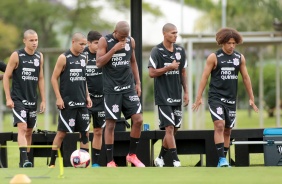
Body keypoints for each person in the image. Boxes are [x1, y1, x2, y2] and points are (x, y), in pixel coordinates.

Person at [192, 27, 259, 167]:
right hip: (216, 98)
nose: (232, 46)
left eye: (234, 43)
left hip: (231, 100)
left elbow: (246, 78)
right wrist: (199, 97)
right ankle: (222, 159)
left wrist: (252, 98)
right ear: (222, 42)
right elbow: (204, 77)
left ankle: (224, 159)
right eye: (229, 43)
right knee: (220, 125)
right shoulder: (214, 57)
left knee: (228, 130)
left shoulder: (239, 58)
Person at [96, 21, 144, 167]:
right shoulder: (105, 41)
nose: (124, 39)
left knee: (138, 119)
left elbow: (133, 61)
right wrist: (114, 50)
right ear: (115, 32)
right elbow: (99, 62)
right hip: (112, 89)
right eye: (121, 37)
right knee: (110, 124)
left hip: (128, 87)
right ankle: (110, 161)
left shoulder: (131, 41)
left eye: (126, 37)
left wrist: (138, 82)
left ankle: (132, 155)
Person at [3, 29, 45, 167]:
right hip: (18, 99)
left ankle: (24, 161)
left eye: (36, 40)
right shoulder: (17, 55)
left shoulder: (39, 56)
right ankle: (25, 160)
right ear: (24, 41)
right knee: (22, 127)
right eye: (31, 40)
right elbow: (6, 77)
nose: (34, 43)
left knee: (29, 131)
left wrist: (43, 100)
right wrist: (8, 98)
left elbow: (41, 78)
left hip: (32, 99)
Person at [48, 32, 92, 168]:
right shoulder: (64, 57)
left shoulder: (84, 58)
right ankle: (52, 163)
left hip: (82, 103)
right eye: (81, 44)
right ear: (73, 42)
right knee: (61, 133)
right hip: (67, 103)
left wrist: (87, 96)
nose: (83, 47)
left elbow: (84, 79)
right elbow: (54, 78)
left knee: (85, 133)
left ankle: (84, 163)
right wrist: (59, 98)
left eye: (85, 44)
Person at [148, 23, 189, 167]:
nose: (175, 35)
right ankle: (175, 160)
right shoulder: (156, 51)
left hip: (177, 95)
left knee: (174, 129)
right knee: (169, 128)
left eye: (176, 33)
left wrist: (186, 92)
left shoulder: (180, 51)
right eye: (172, 33)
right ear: (164, 34)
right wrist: (168, 67)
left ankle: (160, 158)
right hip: (163, 97)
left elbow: (183, 73)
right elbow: (151, 73)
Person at [84, 30, 104, 167]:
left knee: (98, 131)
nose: (98, 46)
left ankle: (95, 162)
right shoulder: (82, 55)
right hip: (86, 100)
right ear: (89, 43)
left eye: (100, 43)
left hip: (102, 99)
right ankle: (83, 160)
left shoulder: (103, 54)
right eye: (96, 43)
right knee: (84, 131)